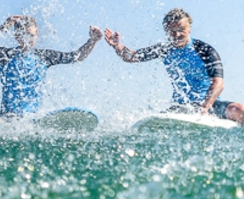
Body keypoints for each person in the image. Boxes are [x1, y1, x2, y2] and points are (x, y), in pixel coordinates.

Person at [103, 8, 244, 122]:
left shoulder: (204, 50)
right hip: (180, 107)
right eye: (171, 30)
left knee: (239, 110)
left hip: (210, 105)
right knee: (153, 121)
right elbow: (131, 57)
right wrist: (117, 46)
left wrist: (204, 108)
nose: (176, 34)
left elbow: (218, 84)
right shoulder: (164, 49)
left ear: (189, 29)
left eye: (181, 29)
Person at [0, 15, 101, 121]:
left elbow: (77, 56)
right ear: (16, 36)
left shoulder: (43, 56)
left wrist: (93, 40)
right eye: (23, 35)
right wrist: (3, 27)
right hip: (7, 116)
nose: (28, 39)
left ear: (37, 35)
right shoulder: (5, 55)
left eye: (31, 35)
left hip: (33, 118)